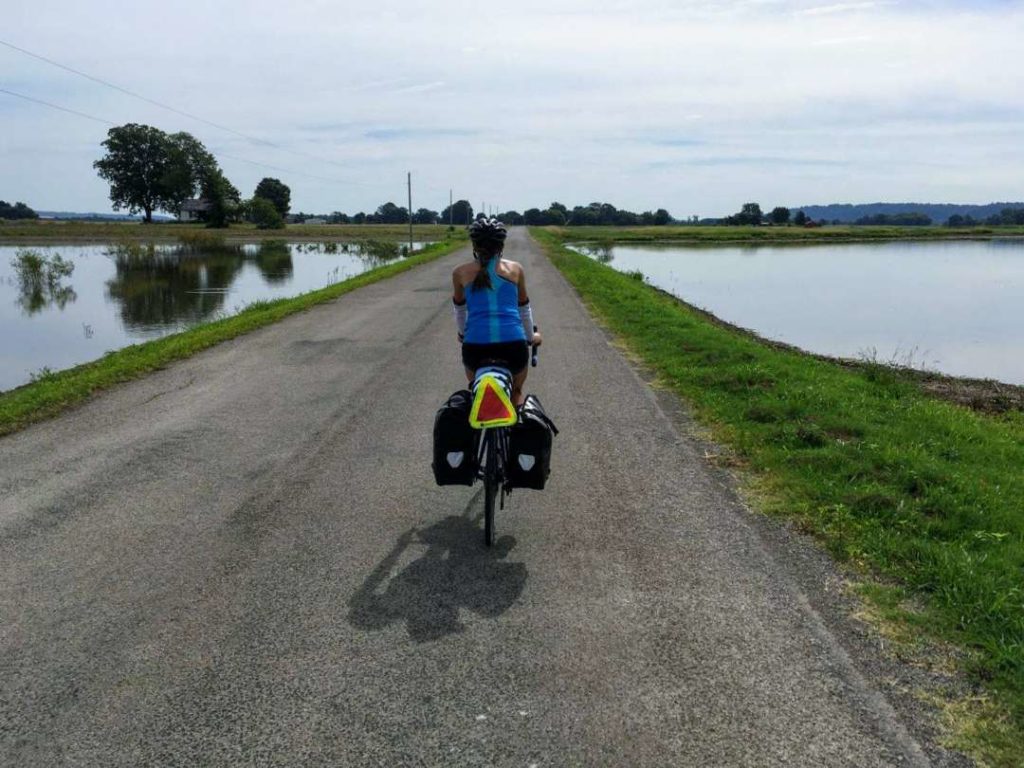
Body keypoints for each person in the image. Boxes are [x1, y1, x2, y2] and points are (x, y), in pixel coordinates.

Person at [452, 218, 541, 405]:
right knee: (516, 393)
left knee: (477, 396)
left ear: (474, 245)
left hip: (474, 348)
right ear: (501, 245)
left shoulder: (459, 273)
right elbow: (524, 309)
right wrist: (531, 337)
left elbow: (460, 310)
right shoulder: (515, 269)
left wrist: (462, 333)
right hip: (513, 347)